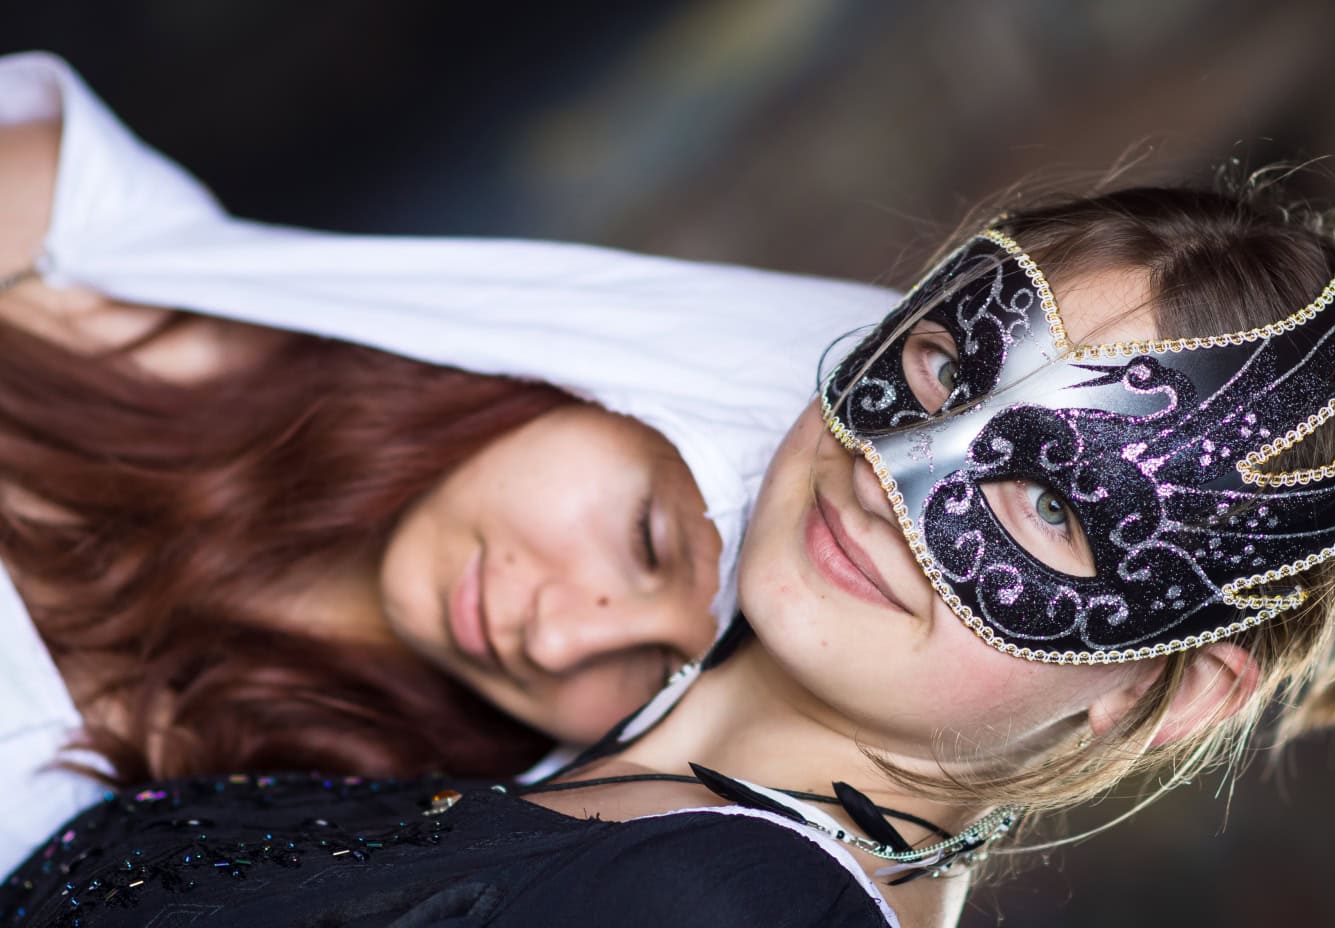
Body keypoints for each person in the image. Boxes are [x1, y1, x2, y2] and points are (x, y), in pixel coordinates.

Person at [0, 174, 1335, 928]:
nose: (895, 474)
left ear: (1169, 696)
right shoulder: (614, 766)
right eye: (942, 366)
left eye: (1053, 504)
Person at [0, 51, 898, 877]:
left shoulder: (344, 856)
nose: (557, 640)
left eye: (661, 678)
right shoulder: (73, 243)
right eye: (646, 540)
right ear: (598, 375)